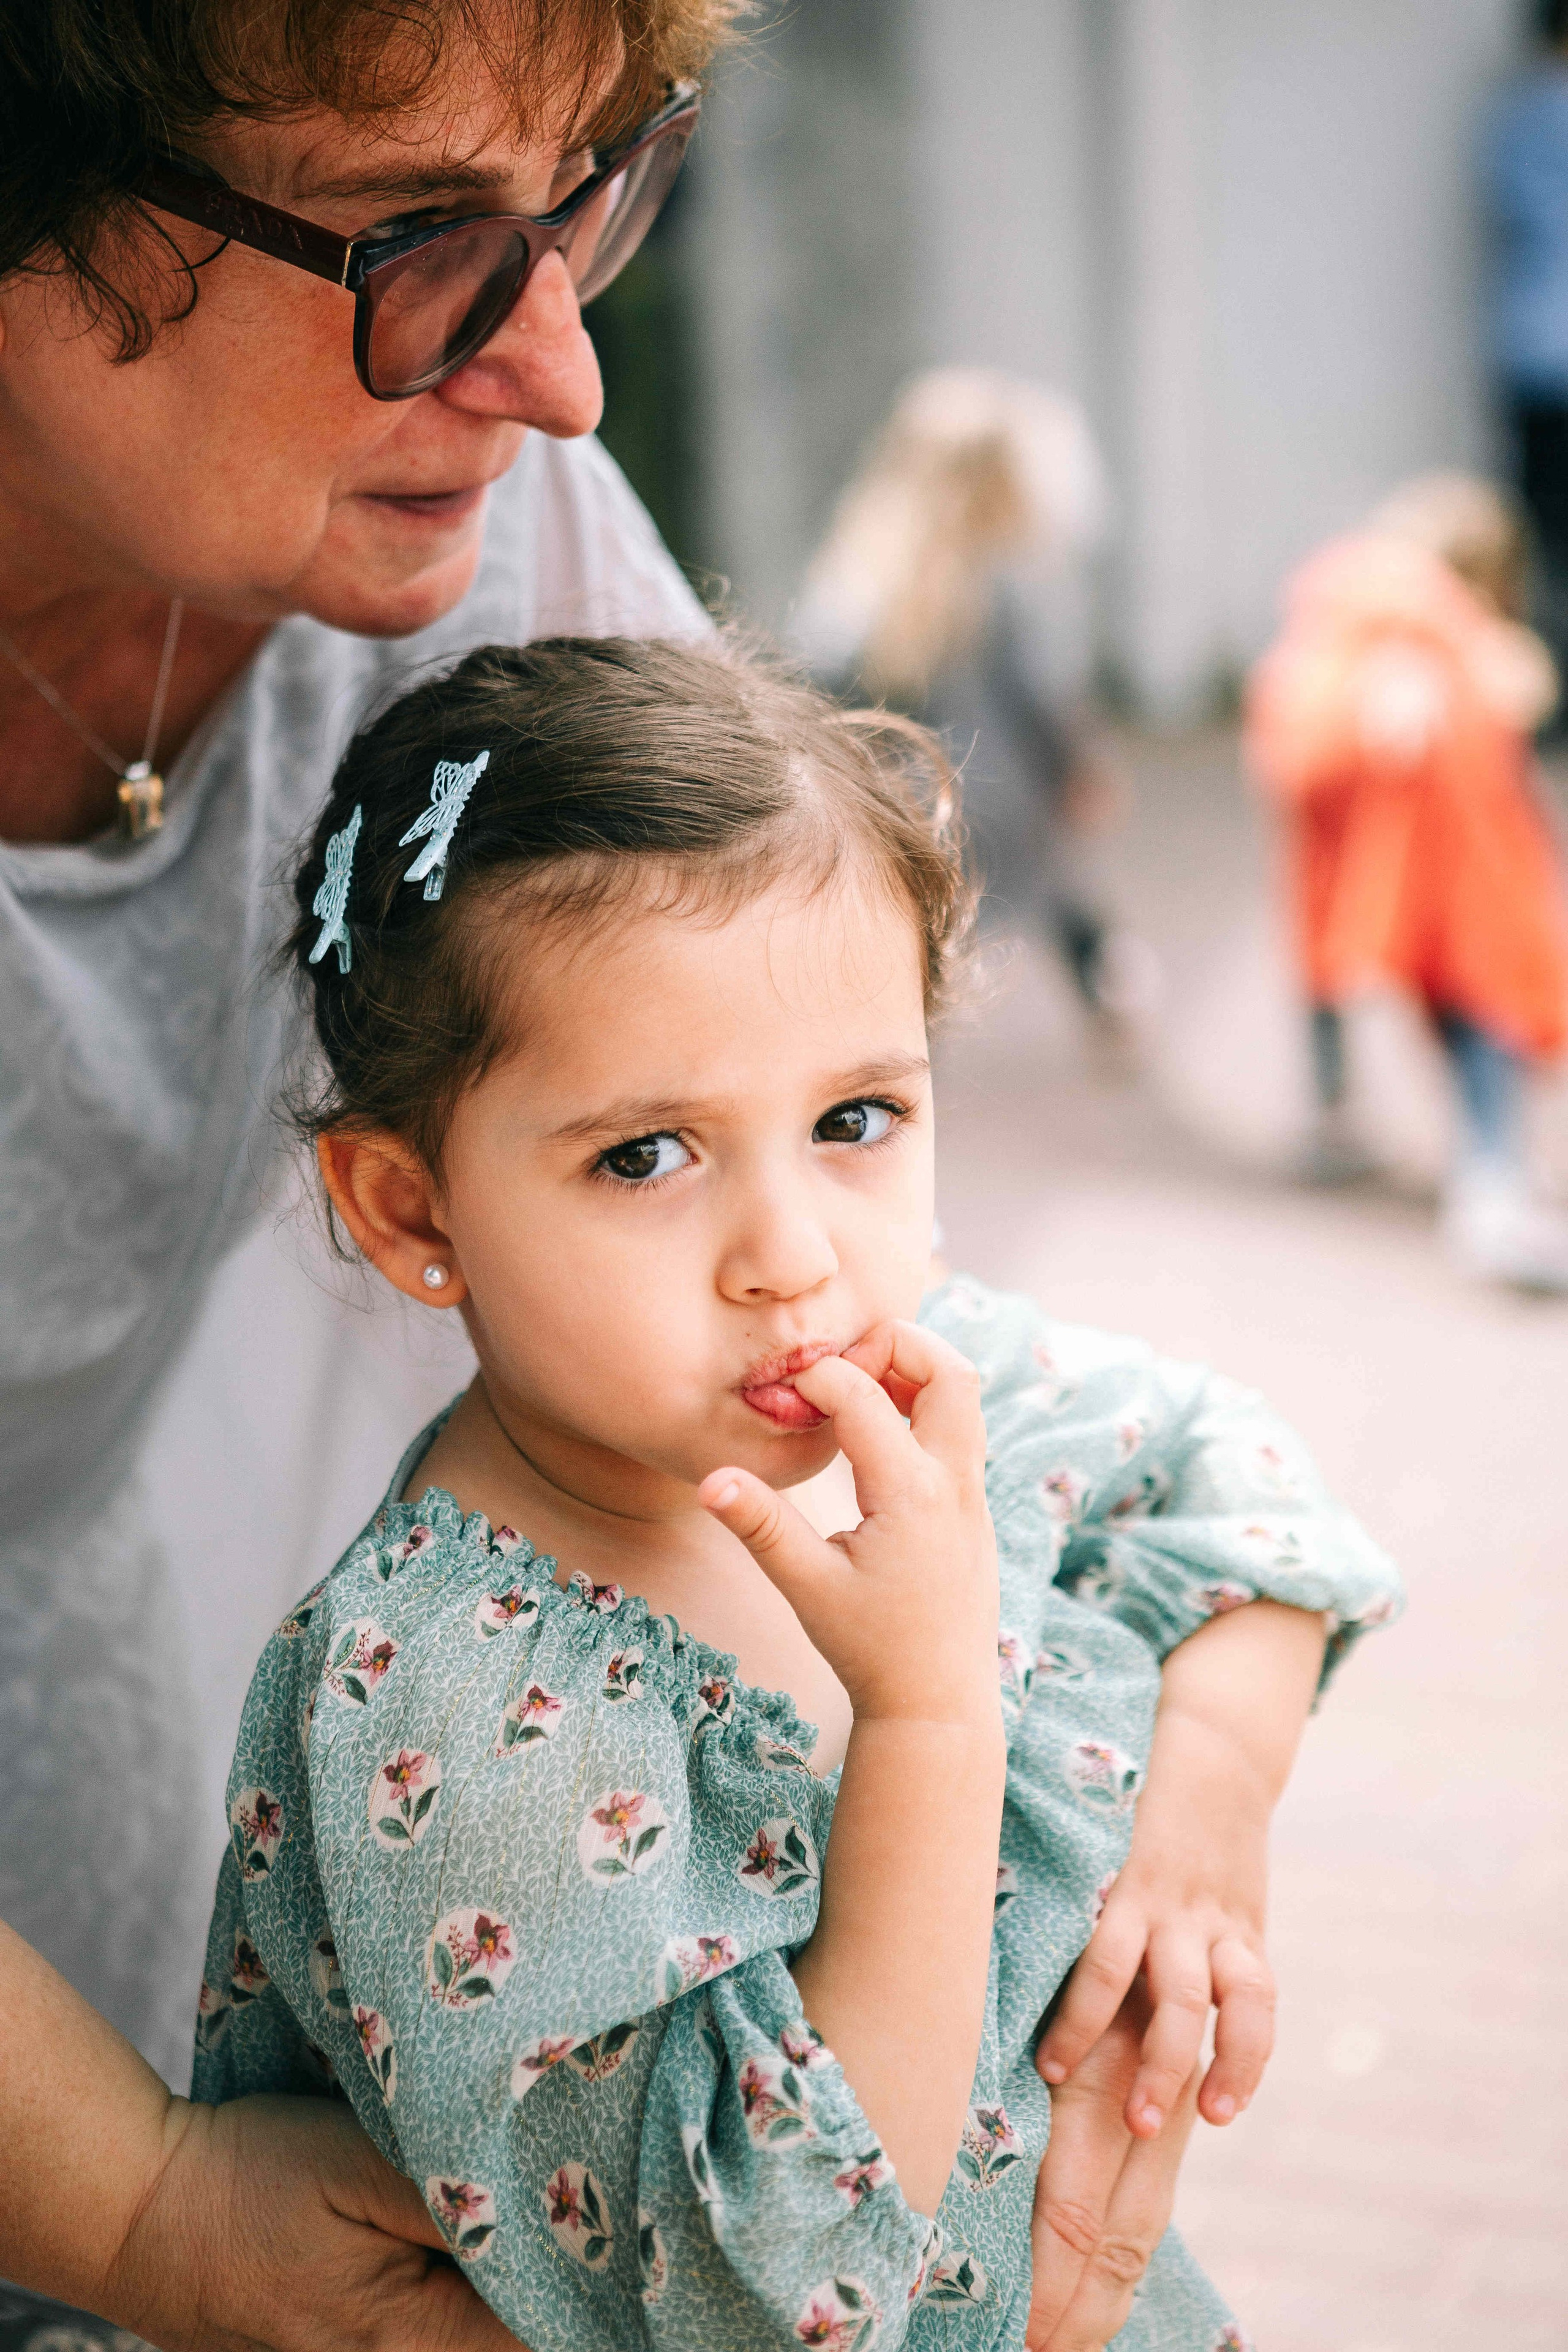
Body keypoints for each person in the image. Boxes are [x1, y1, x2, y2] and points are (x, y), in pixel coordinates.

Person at [194, 635, 1400, 2351]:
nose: (792, 1259)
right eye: (645, 1155)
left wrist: (1206, 1807)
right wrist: (927, 1721)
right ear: (411, 1211)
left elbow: (1242, 1483)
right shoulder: (454, 1708)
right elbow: (759, 2301)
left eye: (855, 1119)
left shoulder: (919, 1388)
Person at [0, 0, 731, 2340]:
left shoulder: (470, 530)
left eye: (587, 201)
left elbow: (775, 1199)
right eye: (411, 241)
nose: (553, 383)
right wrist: (126, 2212)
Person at [1245, 473, 1568, 1291]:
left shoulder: (1335, 613)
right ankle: (1491, 1190)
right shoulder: (1444, 637)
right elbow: (1510, 696)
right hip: (1450, 868)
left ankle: (1333, 1116)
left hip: (1337, 846)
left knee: (1324, 966)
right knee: (1480, 999)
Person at [795, 368, 1155, 1056]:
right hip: (1002, 796)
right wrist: (1079, 767)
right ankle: (1111, 992)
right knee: (1063, 889)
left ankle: (902, 1051)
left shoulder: (860, 566)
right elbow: (1040, 694)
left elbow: (821, 681)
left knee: (924, 928)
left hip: (908, 801)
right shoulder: (999, 578)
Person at [1484, 0, 1568, 689]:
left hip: (1533, 352)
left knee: (1539, 534)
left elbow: (1505, 216)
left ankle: (1547, 676)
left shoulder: (1514, 118)